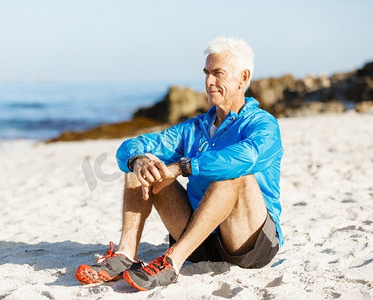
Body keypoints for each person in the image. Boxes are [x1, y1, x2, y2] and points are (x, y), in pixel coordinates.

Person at [76, 37, 284, 291]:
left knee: (234, 174)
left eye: (218, 74)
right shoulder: (194, 129)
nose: (209, 82)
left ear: (243, 77)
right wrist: (139, 160)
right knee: (143, 166)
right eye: (207, 73)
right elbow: (130, 147)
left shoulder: (262, 125)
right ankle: (125, 256)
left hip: (249, 243)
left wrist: (181, 168)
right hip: (199, 240)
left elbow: (246, 158)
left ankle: (172, 263)